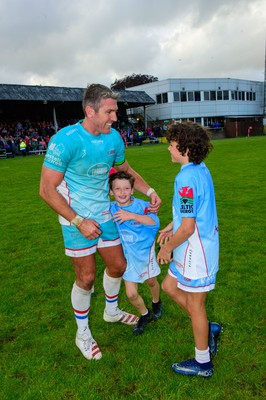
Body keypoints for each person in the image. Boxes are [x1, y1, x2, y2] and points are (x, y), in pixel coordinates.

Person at [39, 83, 161, 361]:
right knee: (86, 277)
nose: (115, 118)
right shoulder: (65, 139)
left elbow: (125, 170)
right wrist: (79, 220)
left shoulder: (113, 138)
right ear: (90, 111)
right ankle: (82, 333)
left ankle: (111, 311)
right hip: (75, 218)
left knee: (118, 266)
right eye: (109, 112)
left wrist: (150, 191)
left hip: (106, 214)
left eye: (115, 112)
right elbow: (46, 190)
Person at [157, 122, 221, 378]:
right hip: (194, 245)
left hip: (196, 251)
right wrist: (172, 225)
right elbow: (191, 211)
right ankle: (207, 329)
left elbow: (188, 227)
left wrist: (167, 248)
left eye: (172, 145)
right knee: (169, 287)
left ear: (184, 148)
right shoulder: (198, 168)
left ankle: (203, 363)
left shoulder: (186, 177)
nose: (169, 149)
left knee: (196, 306)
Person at [109, 171, 162, 335]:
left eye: (126, 188)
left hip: (145, 254)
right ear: (111, 192)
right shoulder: (110, 208)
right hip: (128, 257)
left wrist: (130, 215)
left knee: (151, 281)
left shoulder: (142, 206)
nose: (122, 192)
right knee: (131, 294)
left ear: (132, 190)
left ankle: (156, 302)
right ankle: (145, 315)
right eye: (117, 189)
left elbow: (154, 222)